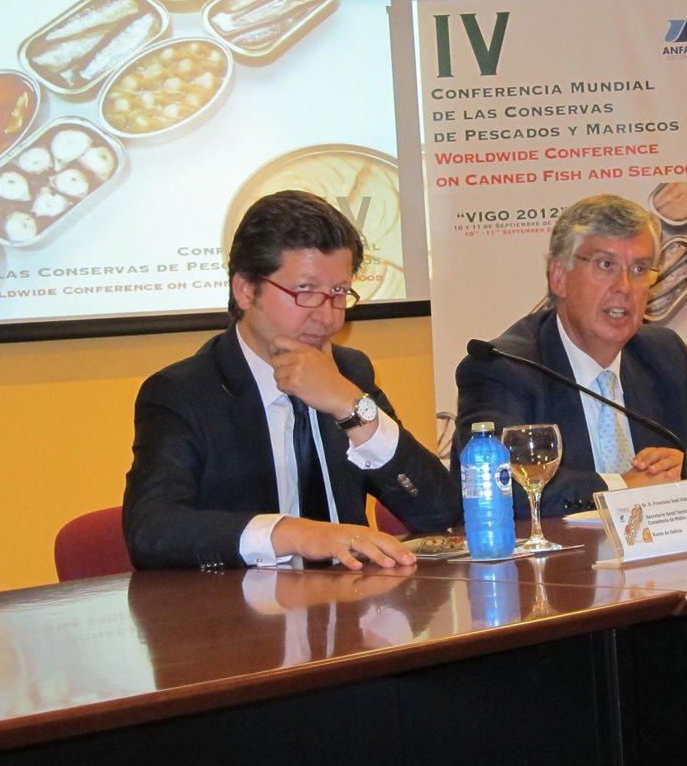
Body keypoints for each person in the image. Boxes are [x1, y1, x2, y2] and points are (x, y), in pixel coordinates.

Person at [124, 190, 458, 570]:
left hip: (352, 599)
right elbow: (152, 532)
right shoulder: (184, 393)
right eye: (305, 291)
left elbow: (440, 511)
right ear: (246, 290)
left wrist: (350, 406)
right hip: (245, 604)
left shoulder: (348, 372)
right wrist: (297, 534)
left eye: (338, 293)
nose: (328, 317)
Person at [453, 194, 687, 517]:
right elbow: (493, 484)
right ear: (559, 277)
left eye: (640, 269)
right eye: (606, 265)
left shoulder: (662, 356)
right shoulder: (504, 368)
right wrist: (624, 488)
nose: (625, 287)